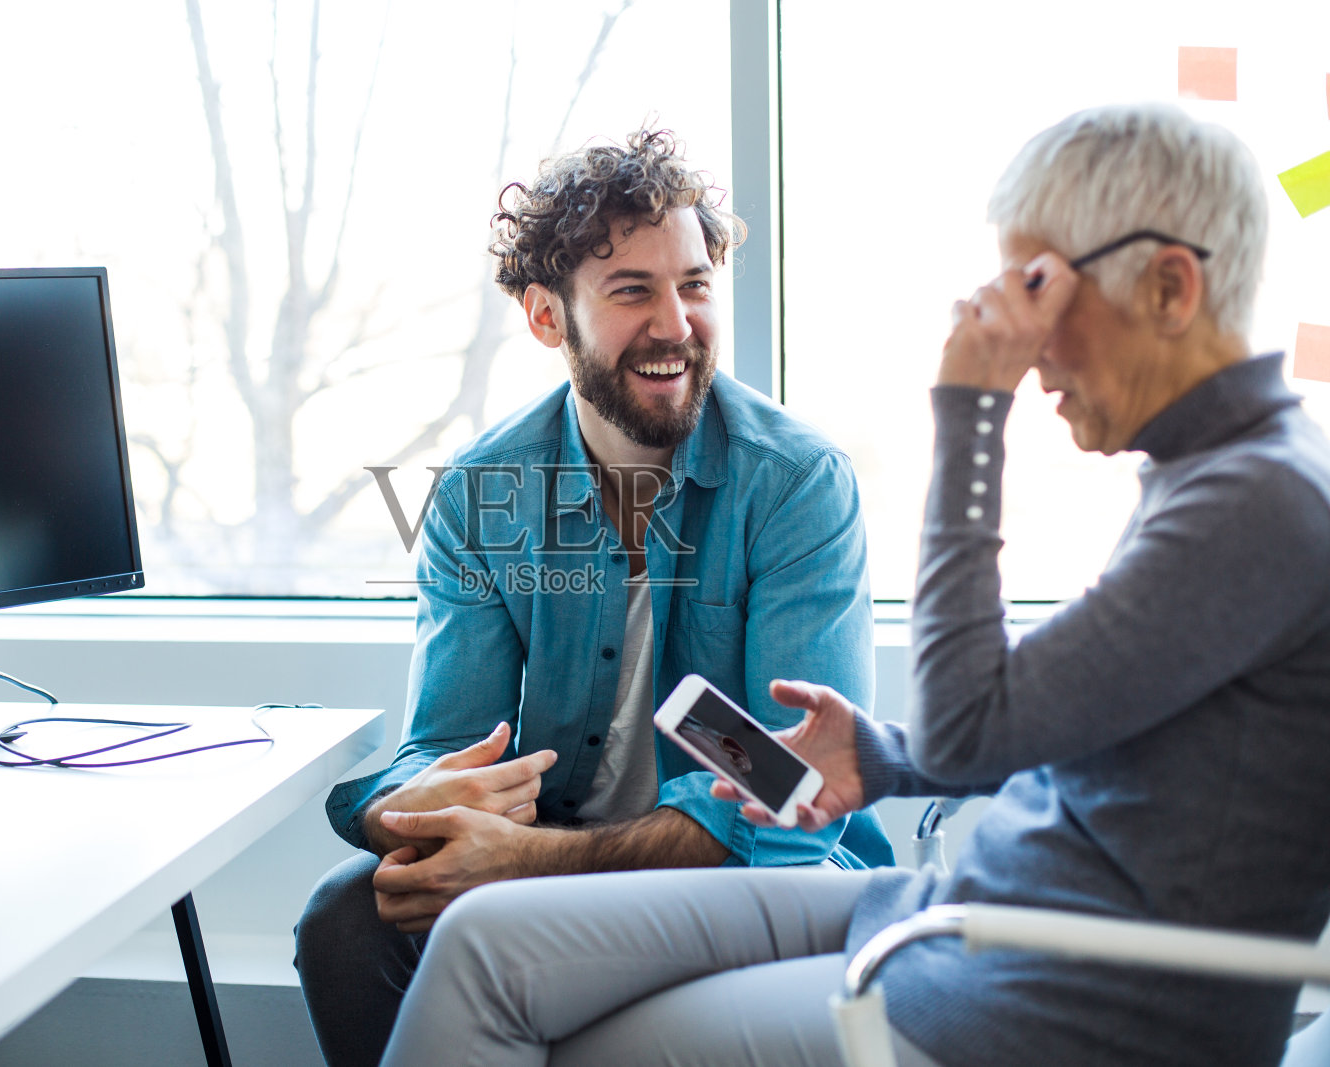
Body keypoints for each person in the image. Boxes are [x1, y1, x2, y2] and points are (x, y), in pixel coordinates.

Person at [374, 104, 1330, 1067]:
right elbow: (1091, 732)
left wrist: (971, 415)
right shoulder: (1220, 475)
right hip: (969, 921)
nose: (1025, 340)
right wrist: (887, 759)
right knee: (478, 942)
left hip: (1041, 988)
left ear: (1169, 287)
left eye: (1039, 289)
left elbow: (977, 720)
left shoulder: (1257, 503)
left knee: (574, 1035)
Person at [294, 129, 893, 1067]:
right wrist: (395, 813)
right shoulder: (483, 494)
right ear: (546, 317)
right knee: (345, 916)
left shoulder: (794, 483)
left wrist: (523, 860)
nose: (677, 322)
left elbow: (792, 797)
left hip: (767, 875)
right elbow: (443, 743)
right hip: (564, 863)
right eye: (631, 291)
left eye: (693, 284)